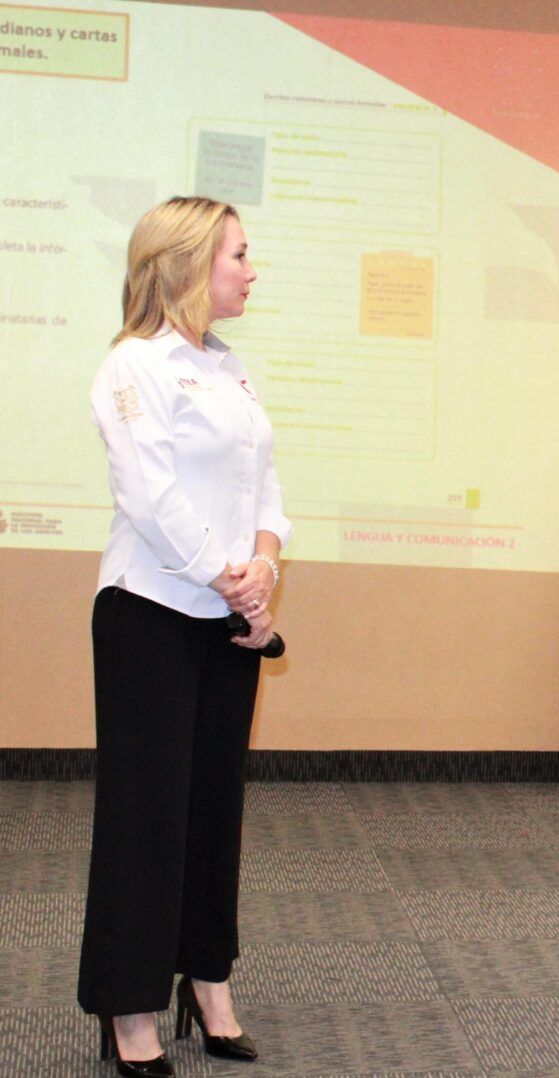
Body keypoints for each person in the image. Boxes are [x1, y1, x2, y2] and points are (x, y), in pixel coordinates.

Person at [79, 196, 287, 1075]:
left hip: (225, 621)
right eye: (239, 254)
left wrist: (263, 567)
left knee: (213, 811)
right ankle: (128, 1005)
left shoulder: (229, 367)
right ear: (189, 262)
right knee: (147, 817)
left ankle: (207, 983)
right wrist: (226, 575)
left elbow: (265, 487)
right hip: (151, 616)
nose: (251, 270)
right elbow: (149, 494)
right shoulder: (134, 365)